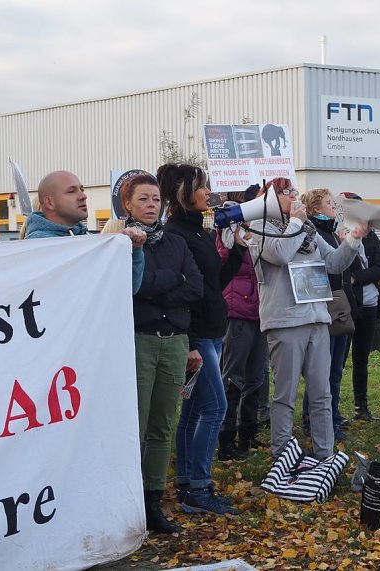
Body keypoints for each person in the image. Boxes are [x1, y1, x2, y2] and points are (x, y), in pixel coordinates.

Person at [247, 177, 368, 461]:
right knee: (285, 395)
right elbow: (280, 254)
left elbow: (333, 264)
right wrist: (296, 224)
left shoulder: (307, 229)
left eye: (293, 191)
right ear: (269, 199)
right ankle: (282, 454)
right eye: (285, 192)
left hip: (316, 317)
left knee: (321, 393)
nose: (293, 196)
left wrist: (354, 238)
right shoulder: (259, 226)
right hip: (285, 320)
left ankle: (324, 454)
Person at [159, 163, 243, 516]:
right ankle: (199, 487)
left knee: (194, 409)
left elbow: (213, 284)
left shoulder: (199, 232)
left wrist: (237, 250)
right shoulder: (176, 235)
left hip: (212, 332)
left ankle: (188, 484)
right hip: (197, 339)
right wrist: (191, 343)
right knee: (215, 408)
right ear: (182, 194)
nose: (208, 192)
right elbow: (182, 295)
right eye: (202, 186)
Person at [122, 173, 204, 532]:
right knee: (136, 423)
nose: (151, 205)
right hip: (140, 339)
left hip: (175, 341)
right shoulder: (119, 243)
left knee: (163, 425)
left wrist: (158, 289)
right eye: (143, 199)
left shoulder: (174, 242)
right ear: (128, 204)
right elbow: (132, 288)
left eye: (155, 199)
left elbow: (196, 287)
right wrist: (173, 281)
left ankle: (153, 497)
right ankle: (128, 498)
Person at [25, 170, 146, 293]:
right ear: (50, 202)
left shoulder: (86, 238)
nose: (83, 196)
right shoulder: (36, 247)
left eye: (81, 189)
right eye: (71, 191)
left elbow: (126, 288)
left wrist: (134, 250)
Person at [299, 187, 357, 441]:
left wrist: (352, 241)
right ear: (314, 210)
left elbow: (338, 264)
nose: (334, 207)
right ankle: (313, 420)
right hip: (321, 304)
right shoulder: (310, 232)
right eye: (329, 203)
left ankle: (331, 417)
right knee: (319, 370)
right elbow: (329, 267)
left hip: (338, 305)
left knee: (334, 370)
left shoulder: (332, 232)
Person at [216, 197, 269, 460]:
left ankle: (248, 434)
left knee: (256, 377)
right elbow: (225, 263)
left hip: (258, 313)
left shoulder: (252, 236)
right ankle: (226, 440)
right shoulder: (225, 238)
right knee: (233, 377)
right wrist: (232, 237)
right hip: (238, 313)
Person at [341, 191, 380, 422]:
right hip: (347, 305)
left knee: (361, 358)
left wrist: (357, 278)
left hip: (369, 305)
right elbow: (338, 268)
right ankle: (333, 408)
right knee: (338, 360)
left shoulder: (371, 237)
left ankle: (361, 406)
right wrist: (353, 278)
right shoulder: (339, 234)